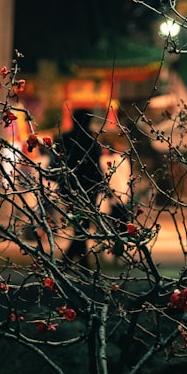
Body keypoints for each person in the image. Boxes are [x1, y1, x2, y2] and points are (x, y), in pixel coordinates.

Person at [58, 108, 103, 266]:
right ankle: (76, 260)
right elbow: (97, 168)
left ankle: (72, 260)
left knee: (80, 224)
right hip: (86, 188)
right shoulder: (90, 141)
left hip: (72, 188)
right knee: (81, 224)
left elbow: (58, 164)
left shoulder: (65, 139)